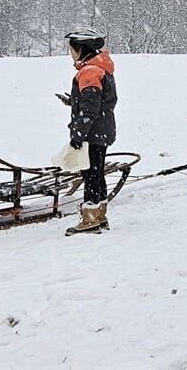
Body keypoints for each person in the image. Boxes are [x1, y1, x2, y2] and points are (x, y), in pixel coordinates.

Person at [63, 26, 118, 235]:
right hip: (102, 130)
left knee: (91, 174)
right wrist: (73, 102)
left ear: (82, 49)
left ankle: (90, 219)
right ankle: (100, 215)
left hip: (92, 132)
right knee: (97, 173)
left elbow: (90, 108)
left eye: (72, 50)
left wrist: (77, 135)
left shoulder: (90, 71)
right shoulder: (100, 68)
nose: (70, 54)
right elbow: (99, 102)